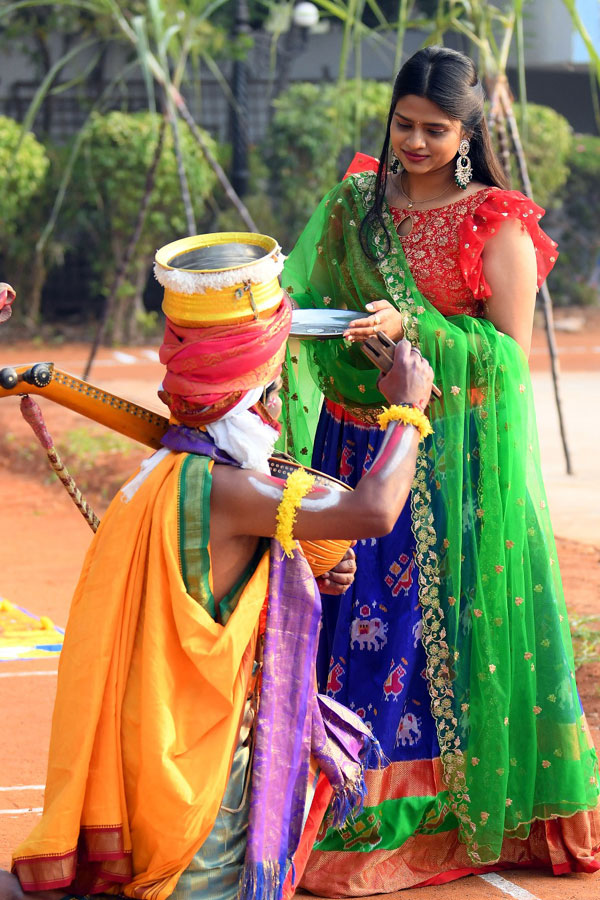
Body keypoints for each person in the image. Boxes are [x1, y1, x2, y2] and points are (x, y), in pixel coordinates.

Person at [0, 233, 434, 900]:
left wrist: (298, 567)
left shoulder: (171, 474)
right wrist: (409, 408)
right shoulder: (232, 491)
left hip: (156, 763)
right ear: (266, 379)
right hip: (199, 804)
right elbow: (374, 510)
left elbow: (226, 576)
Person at [281, 46, 600, 894]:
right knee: (335, 626)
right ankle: (319, 800)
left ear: (466, 134)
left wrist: (415, 327)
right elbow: (303, 294)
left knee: (426, 644)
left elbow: (506, 361)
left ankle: (412, 814)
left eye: (433, 129)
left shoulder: (496, 224)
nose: (413, 143)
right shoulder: (357, 202)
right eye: (403, 124)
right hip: (346, 447)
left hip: (442, 460)